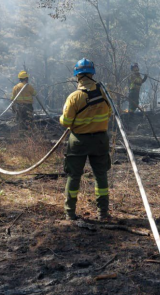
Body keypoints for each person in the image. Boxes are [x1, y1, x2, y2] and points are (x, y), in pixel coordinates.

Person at [59, 58, 112, 221]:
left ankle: (70, 212)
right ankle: (103, 213)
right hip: (100, 141)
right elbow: (110, 112)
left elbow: (66, 122)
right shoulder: (103, 93)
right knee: (101, 175)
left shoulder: (74, 97)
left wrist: (63, 118)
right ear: (92, 74)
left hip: (79, 141)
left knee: (74, 176)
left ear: (77, 75)